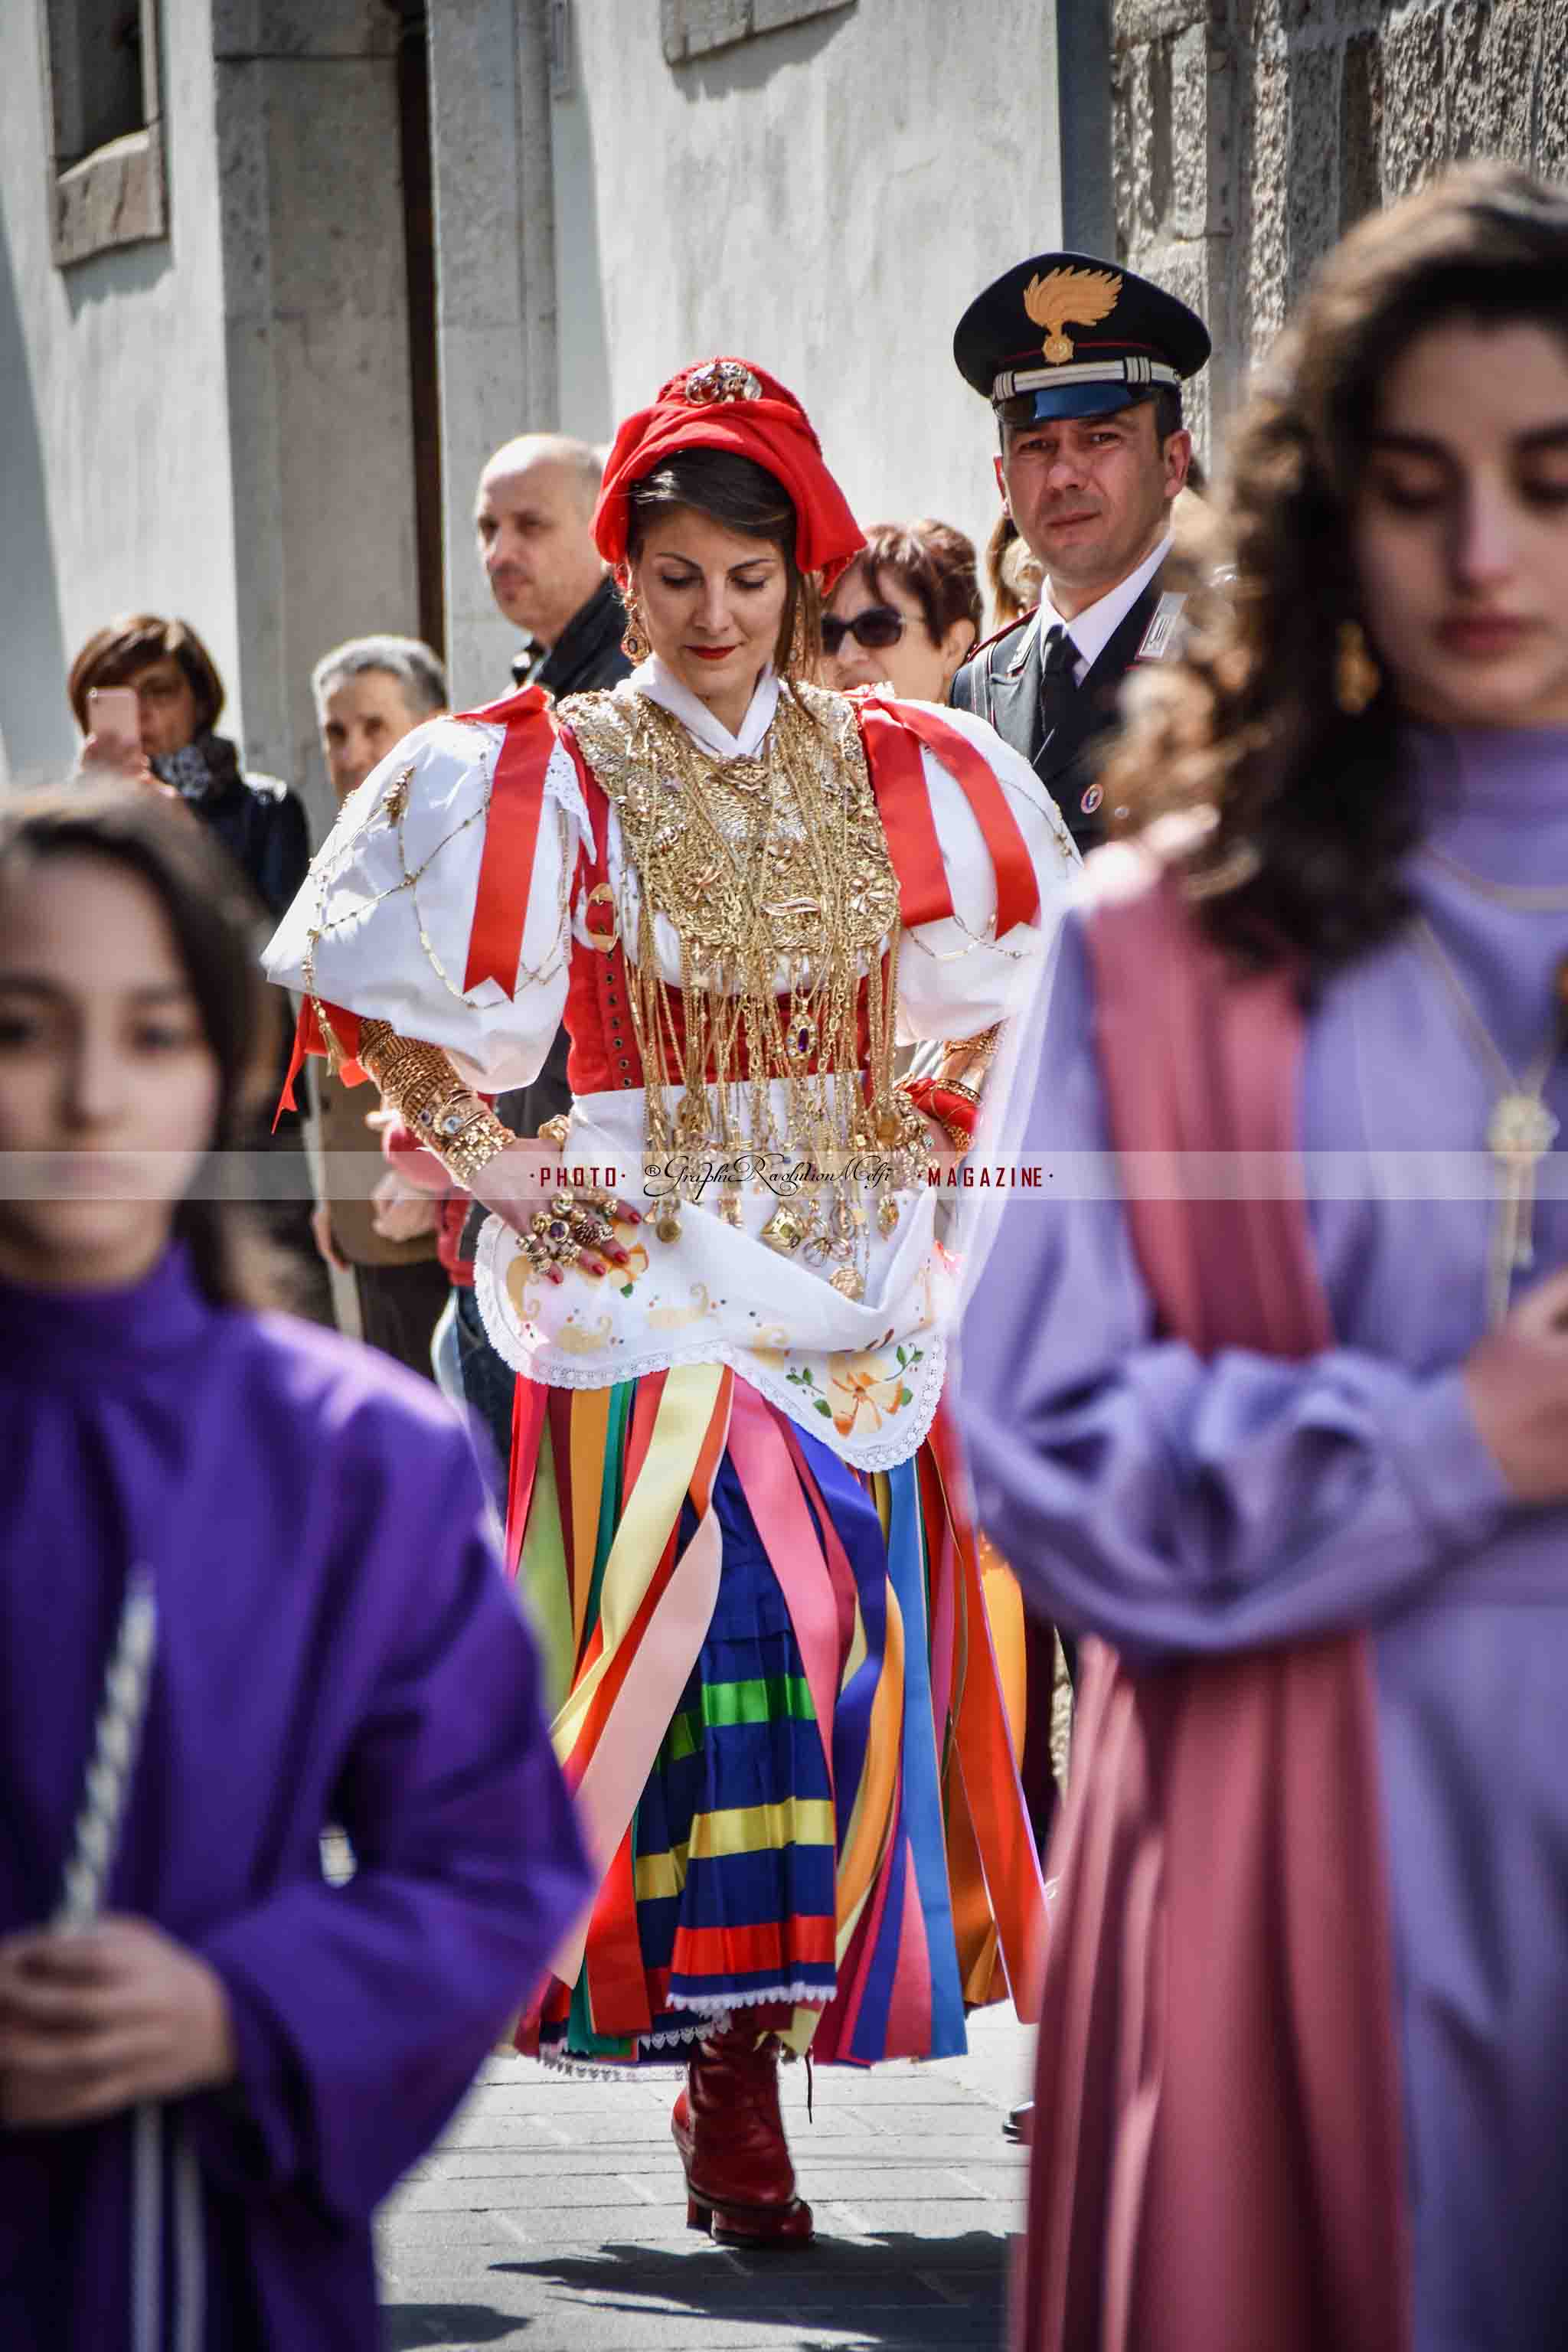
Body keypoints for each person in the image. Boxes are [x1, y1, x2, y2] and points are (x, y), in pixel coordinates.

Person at [265, 354, 1078, 2248]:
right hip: (644, 1288)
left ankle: (767, 2020)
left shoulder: (909, 762)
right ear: (625, 576)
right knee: (716, 1664)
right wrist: (484, 1153)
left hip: (849, 1279)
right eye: (677, 574)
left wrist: (936, 1126)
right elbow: (373, 992)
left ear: (800, 571)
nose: (714, 614)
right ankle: (723, 2071)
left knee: (834, 1660)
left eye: (748, 574)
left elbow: (1036, 987)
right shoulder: (535, 767)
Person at [958, 163, 1568, 2351]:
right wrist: (1454, 1442)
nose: (1488, 556)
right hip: (1297, 1828)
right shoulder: (1159, 943)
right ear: (1329, 515)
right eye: (1420, 489)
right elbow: (1028, 1424)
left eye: (1555, 479)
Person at [0, 784, 590, 2350]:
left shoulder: (353, 1454)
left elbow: (492, 1867)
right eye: (23, 1031)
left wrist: (240, 2007)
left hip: (211, 2249)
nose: (86, 1099)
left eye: (151, 1034)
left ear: (220, 1068)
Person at [458, 436, 637, 1462]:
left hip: (598, 1149)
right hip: (531, 1139)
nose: (500, 550)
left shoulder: (620, 688)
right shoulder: (543, 675)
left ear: (601, 534)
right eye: (488, 528)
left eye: (530, 525)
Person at [949, 252, 1210, 854]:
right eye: (1036, 446)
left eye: (1100, 438)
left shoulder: (1237, 649)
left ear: (1172, 463)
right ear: (1002, 485)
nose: (1064, 474)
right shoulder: (980, 689)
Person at [308, 635, 453, 1377]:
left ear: (433, 728)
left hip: (438, 1215)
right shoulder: (342, 858)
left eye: (375, 728)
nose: (354, 752)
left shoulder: (458, 860)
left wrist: (440, 1183)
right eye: (337, 733)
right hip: (367, 1210)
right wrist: (334, 1194)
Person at [820, 518, 981, 702]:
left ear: (953, 647)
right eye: (828, 632)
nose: (845, 656)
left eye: (876, 628)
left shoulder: (1003, 730)